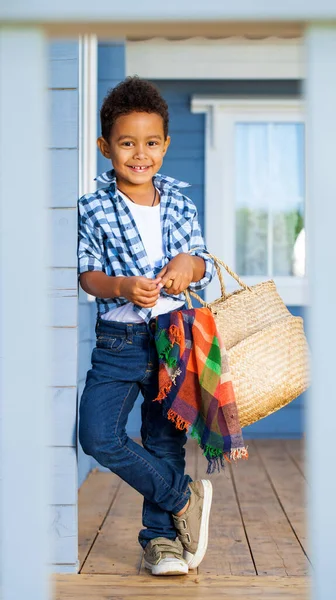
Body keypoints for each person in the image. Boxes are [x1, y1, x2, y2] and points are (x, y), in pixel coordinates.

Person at [78, 76, 216, 576]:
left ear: (166, 145)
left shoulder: (180, 204)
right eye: (127, 143)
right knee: (99, 437)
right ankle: (184, 498)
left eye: (151, 143)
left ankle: (161, 542)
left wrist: (187, 264)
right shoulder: (93, 208)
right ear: (105, 147)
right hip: (118, 342)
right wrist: (120, 286)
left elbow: (204, 262)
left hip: (173, 338)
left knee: (163, 441)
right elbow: (87, 273)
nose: (140, 154)